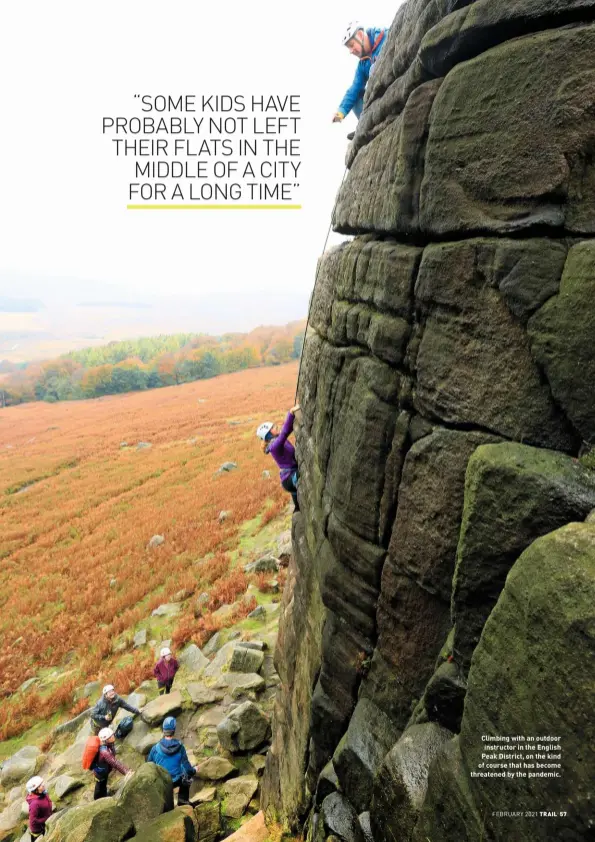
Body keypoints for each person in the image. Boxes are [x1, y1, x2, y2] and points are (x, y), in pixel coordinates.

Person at [332, 22, 388, 131]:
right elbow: (354, 89)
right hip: (378, 99)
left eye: (352, 45)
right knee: (356, 95)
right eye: (349, 48)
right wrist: (340, 114)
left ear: (361, 35)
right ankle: (365, 127)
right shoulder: (363, 64)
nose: (351, 51)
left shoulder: (384, 36)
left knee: (373, 69)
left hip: (391, 85)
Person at [256, 404, 300, 512]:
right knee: (305, 472)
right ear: (269, 435)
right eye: (274, 428)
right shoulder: (274, 446)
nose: (277, 427)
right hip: (290, 479)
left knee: (298, 509)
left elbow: (287, 429)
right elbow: (284, 433)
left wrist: (294, 415)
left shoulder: (277, 441)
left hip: (289, 478)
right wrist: (290, 413)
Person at [147, 717, 196, 805]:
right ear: (174, 731)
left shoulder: (155, 749)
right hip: (177, 781)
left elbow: (148, 767)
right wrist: (194, 770)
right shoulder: (180, 747)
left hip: (163, 784)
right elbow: (188, 769)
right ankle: (183, 800)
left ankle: (167, 804)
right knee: (186, 772)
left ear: (163, 730)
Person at [92, 727, 132, 800]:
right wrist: (127, 772)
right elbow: (115, 763)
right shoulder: (104, 752)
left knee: (103, 785)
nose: (113, 736)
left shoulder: (108, 744)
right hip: (100, 773)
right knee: (100, 786)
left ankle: (103, 795)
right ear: (107, 739)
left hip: (103, 770)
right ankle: (97, 800)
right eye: (111, 736)